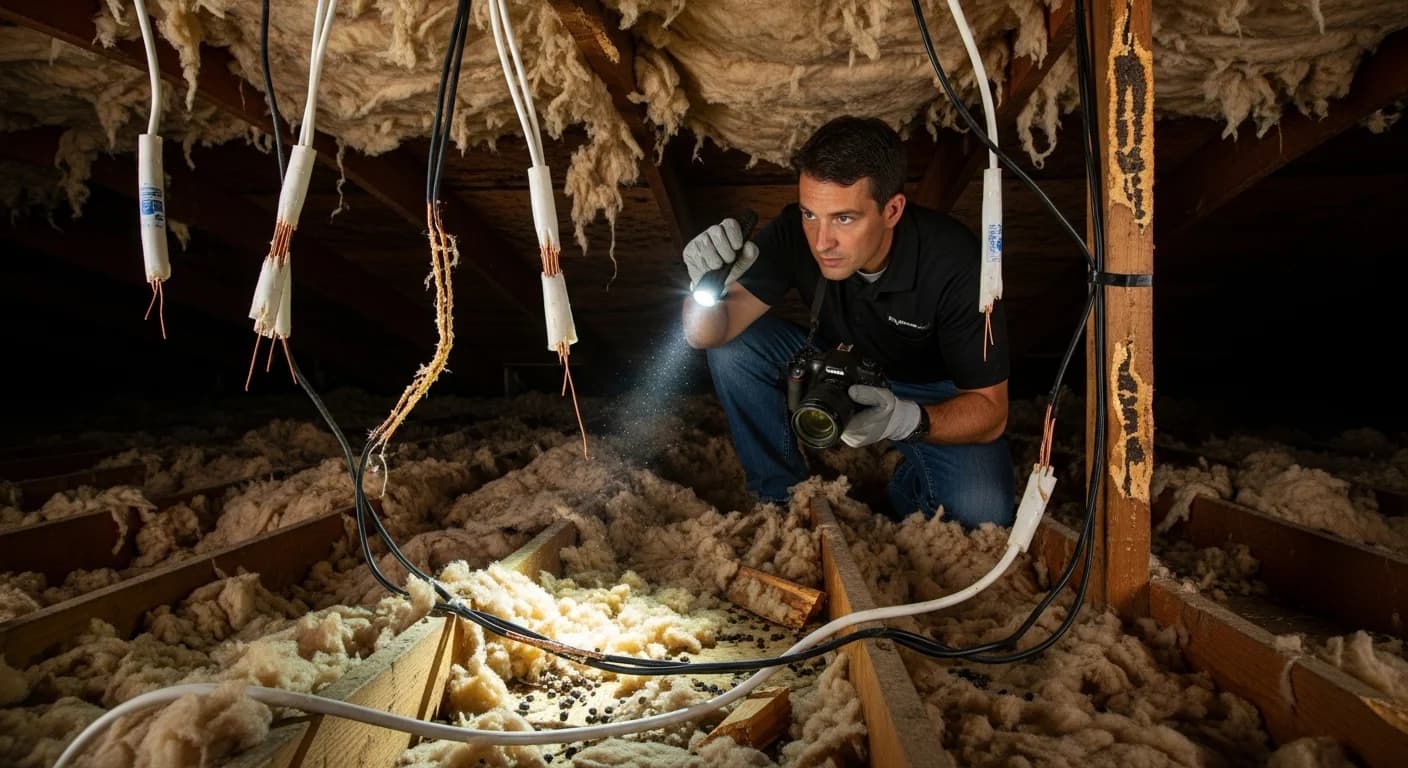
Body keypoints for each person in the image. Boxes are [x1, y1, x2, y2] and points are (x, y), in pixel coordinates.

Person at [680, 115, 1014, 528]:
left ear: (891, 210)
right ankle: (780, 498)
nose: (822, 242)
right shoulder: (795, 233)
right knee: (735, 349)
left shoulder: (956, 262)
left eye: (844, 218)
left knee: (982, 512)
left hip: (930, 392)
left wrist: (904, 420)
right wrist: (703, 284)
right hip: (835, 364)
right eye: (810, 214)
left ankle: (901, 478)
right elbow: (706, 334)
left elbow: (991, 412)